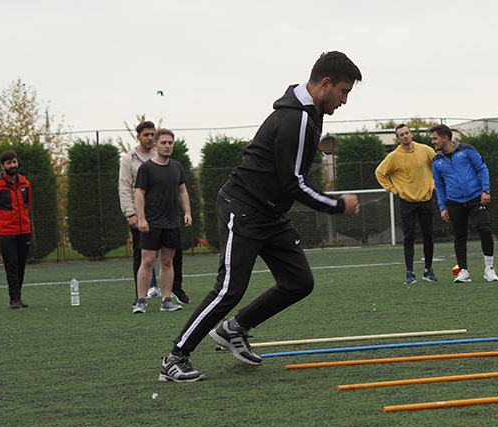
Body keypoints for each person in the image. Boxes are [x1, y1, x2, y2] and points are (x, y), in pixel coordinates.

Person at [158, 51, 361, 382]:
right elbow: (293, 183)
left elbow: (289, 180)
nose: (345, 100)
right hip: (244, 208)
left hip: (271, 212)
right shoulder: (296, 118)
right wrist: (337, 205)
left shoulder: (311, 112)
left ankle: (233, 329)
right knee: (229, 289)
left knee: (298, 282)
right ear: (325, 84)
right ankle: (175, 357)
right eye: (344, 91)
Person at [118, 121, 190, 306]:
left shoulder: (175, 166)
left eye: (152, 134)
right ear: (139, 137)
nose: (150, 138)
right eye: (147, 135)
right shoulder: (133, 160)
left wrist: (187, 212)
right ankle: (140, 298)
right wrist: (133, 215)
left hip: (170, 220)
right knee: (144, 259)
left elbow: (182, 190)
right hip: (146, 219)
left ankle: (169, 296)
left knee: (169, 259)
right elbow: (128, 189)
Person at [429, 124, 498, 283]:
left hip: (476, 198)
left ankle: (489, 269)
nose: (433, 142)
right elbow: (439, 185)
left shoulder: (467, 150)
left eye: (435, 138)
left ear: (445, 138)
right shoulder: (436, 160)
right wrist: (443, 206)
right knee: (459, 237)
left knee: (485, 229)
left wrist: (485, 190)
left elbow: (482, 169)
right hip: (454, 203)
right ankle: (463, 271)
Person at [375, 124, 438, 284]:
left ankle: (428, 271)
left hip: (426, 200)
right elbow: (380, 173)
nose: (405, 136)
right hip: (407, 202)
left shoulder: (425, 150)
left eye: (407, 133)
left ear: (411, 134)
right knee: (408, 238)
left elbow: (438, 165)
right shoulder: (394, 156)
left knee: (428, 236)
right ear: (398, 138)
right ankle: (410, 273)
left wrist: (435, 184)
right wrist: (393, 189)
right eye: (401, 134)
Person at [0, 151, 32, 308]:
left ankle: (18, 297)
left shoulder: (25, 183)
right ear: (2, 166)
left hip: (24, 231)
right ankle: (14, 299)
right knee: (11, 266)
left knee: (21, 265)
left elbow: (26, 205)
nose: (12, 165)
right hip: (6, 233)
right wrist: (1, 225)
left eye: (14, 162)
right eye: (8, 163)